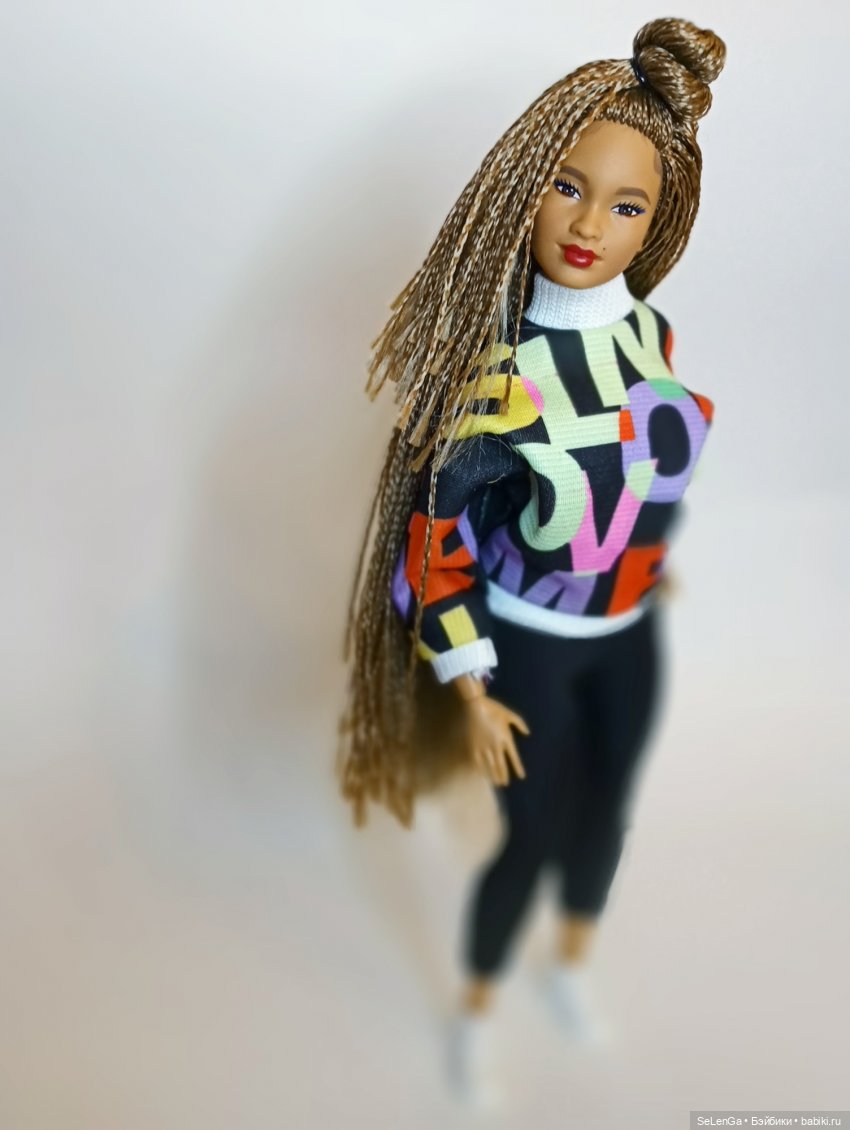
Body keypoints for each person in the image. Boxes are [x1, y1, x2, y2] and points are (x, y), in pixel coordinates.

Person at [337, 16, 726, 1105]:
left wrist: (643, 560)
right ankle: (474, 1006)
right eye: (567, 186)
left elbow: (639, 468)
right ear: (524, 185)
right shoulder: (498, 381)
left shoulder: (648, 336)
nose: (590, 224)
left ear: (660, 217)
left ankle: (572, 964)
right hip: (533, 651)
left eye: (627, 204)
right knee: (532, 833)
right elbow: (434, 543)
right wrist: (470, 684)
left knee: (608, 809)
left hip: (628, 633)